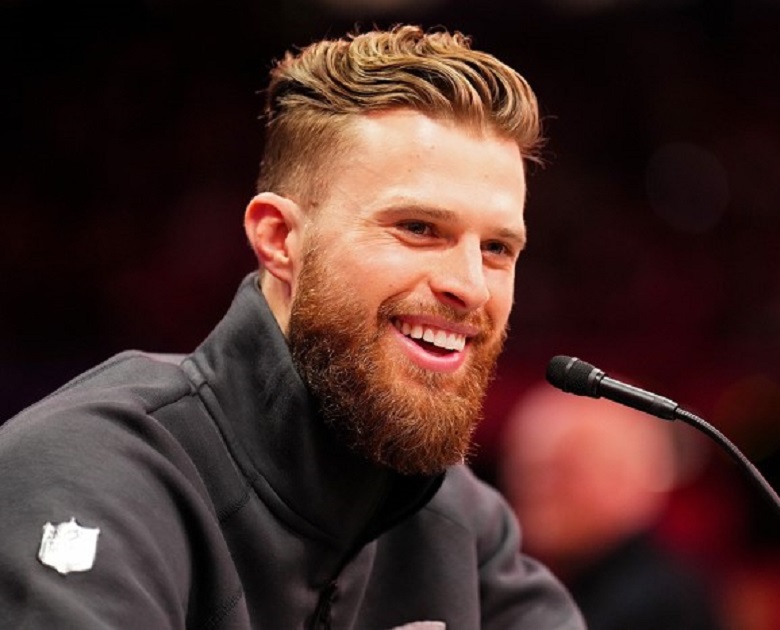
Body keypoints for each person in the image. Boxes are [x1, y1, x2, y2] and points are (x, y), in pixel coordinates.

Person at [0, 25, 586, 630]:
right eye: (417, 228)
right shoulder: (90, 472)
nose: (471, 285)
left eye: (496, 248)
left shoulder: (461, 521)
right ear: (279, 239)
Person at [499, 382, 723, 629]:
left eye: (559, 470)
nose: (532, 488)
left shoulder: (653, 603)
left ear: (623, 478)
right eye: (524, 468)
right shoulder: (572, 581)